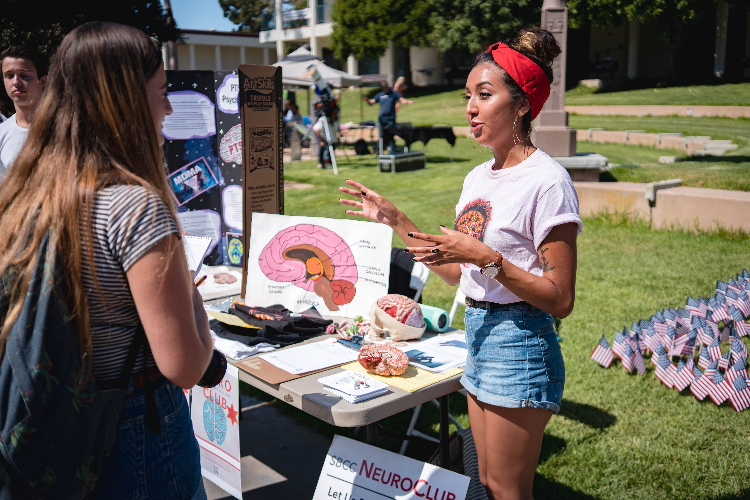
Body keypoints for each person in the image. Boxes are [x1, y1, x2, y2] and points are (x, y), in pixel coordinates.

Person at [341, 29, 580, 500]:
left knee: (510, 491)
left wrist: (487, 259)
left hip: (520, 343)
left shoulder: (548, 182)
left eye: (484, 95)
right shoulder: (477, 178)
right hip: (477, 336)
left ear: (522, 104)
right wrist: (397, 220)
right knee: (485, 484)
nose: (470, 107)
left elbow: (561, 298)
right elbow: (457, 272)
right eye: (467, 95)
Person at [0, 22, 212, 499]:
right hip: (137, 430)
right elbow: (184, 366)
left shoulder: (30, 188)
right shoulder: (133, 204)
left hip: (59, 421)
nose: (170, 107)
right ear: (125, 101)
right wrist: (192, 300)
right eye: (160, 91)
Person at [0, 45, 47, 179]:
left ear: (42, 81)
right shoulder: (2, 134)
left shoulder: (67, 127)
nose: (16, 82)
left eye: (24, 75)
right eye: (9, 76)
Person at [364, 80, 415, 154]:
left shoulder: (394, 93)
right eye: (383, 87)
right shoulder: (379, 95)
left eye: (386, 87)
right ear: (381, 88)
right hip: (382, 119)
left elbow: (401, 100)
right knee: (381, 136)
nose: (385, 88)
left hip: (391, 119)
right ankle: (379, 153)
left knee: (390, 135)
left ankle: (393, 152)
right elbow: (372, 102)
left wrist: (408, 102)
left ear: (388, 86)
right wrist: (367, 101)